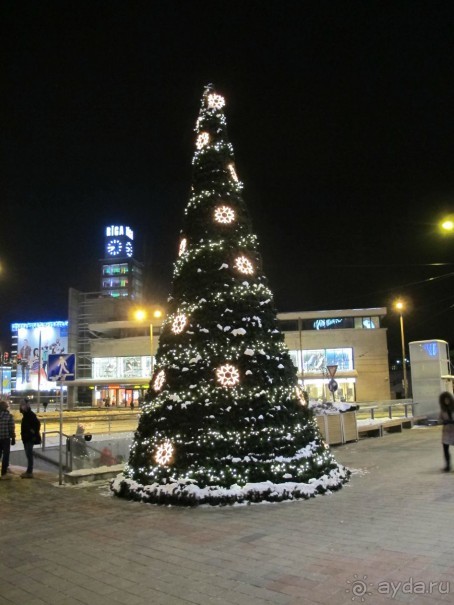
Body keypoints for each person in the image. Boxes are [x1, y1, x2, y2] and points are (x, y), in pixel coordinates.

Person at [19, 400, 41, 479]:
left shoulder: (30, 415)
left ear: (26, 406)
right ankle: (29, 471)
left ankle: (29, 472)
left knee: (29, 454)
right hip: (26, 437)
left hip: (29, 438)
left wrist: (32, 431)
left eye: (22, 405)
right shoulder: (26, 415)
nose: (21, 406)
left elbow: (37, 424)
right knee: (28, 454)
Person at [438, 391, 454, 472]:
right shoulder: (443, 410)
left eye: (447, 400)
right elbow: (440, 420)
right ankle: (447, 466)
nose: (446, 401)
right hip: (446, 432)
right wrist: (443, 422)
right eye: (444, 400)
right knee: (445, 449)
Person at [0, 401, 16, 480]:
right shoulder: (9, 416)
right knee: (6, 456)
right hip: (5, 439)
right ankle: (4, 473)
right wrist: (13, 438)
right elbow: (11, 428)